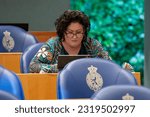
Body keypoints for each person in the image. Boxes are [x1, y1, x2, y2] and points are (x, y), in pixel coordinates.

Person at [29, 10, 112, 73]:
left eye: (79, 32)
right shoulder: (53, 44)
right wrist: (62, 68)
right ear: (63, 31)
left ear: (84, 32)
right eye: (70, 32)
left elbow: (109, 64)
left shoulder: (92, 44)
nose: (74, 36)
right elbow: (33, 66)